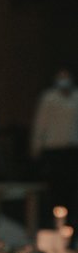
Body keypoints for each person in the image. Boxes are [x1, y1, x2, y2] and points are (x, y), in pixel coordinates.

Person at [30, 69, 78, 226]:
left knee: (71, 193)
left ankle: (69, 230)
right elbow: (40, 123)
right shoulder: (49, 97)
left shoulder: (76, 97)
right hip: (53, 150)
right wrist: (36, 147)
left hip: (71, 150)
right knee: (55, 192)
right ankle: (52, 227)